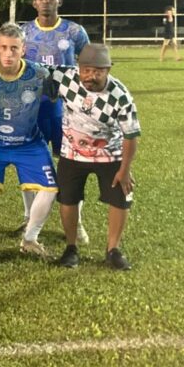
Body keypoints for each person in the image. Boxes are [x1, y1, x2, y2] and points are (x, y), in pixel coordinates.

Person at [49, 44, 140, 271]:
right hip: (72, 153)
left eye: (98, 71)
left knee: (120, 197)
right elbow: (33, 67)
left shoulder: (120, 96)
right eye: (86, 70)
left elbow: (131, 135)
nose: (91, 76)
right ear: (78, 67)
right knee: (68, 199)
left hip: (109, 154)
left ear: (108, 69)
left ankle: (113, 250)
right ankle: (71, 248)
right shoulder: (65, 76)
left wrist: (124, 169)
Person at [0, 23, 58, 261]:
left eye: (14, 48)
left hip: (29, 143)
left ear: (24, 49)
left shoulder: (40, 74)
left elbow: (63, 92)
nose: (8, 53)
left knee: (50, 188)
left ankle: (30, 239)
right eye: (3, 47)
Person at [21, 0, 90, 243]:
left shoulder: (74, 31)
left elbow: (88, 64)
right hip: (32, 109)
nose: (46, 1)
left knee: (72, 166)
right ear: (34, 2)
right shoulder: (24, 32)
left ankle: (77, 223)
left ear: (59, 0)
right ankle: (28, 218)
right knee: (29, 164)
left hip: (67, 110)